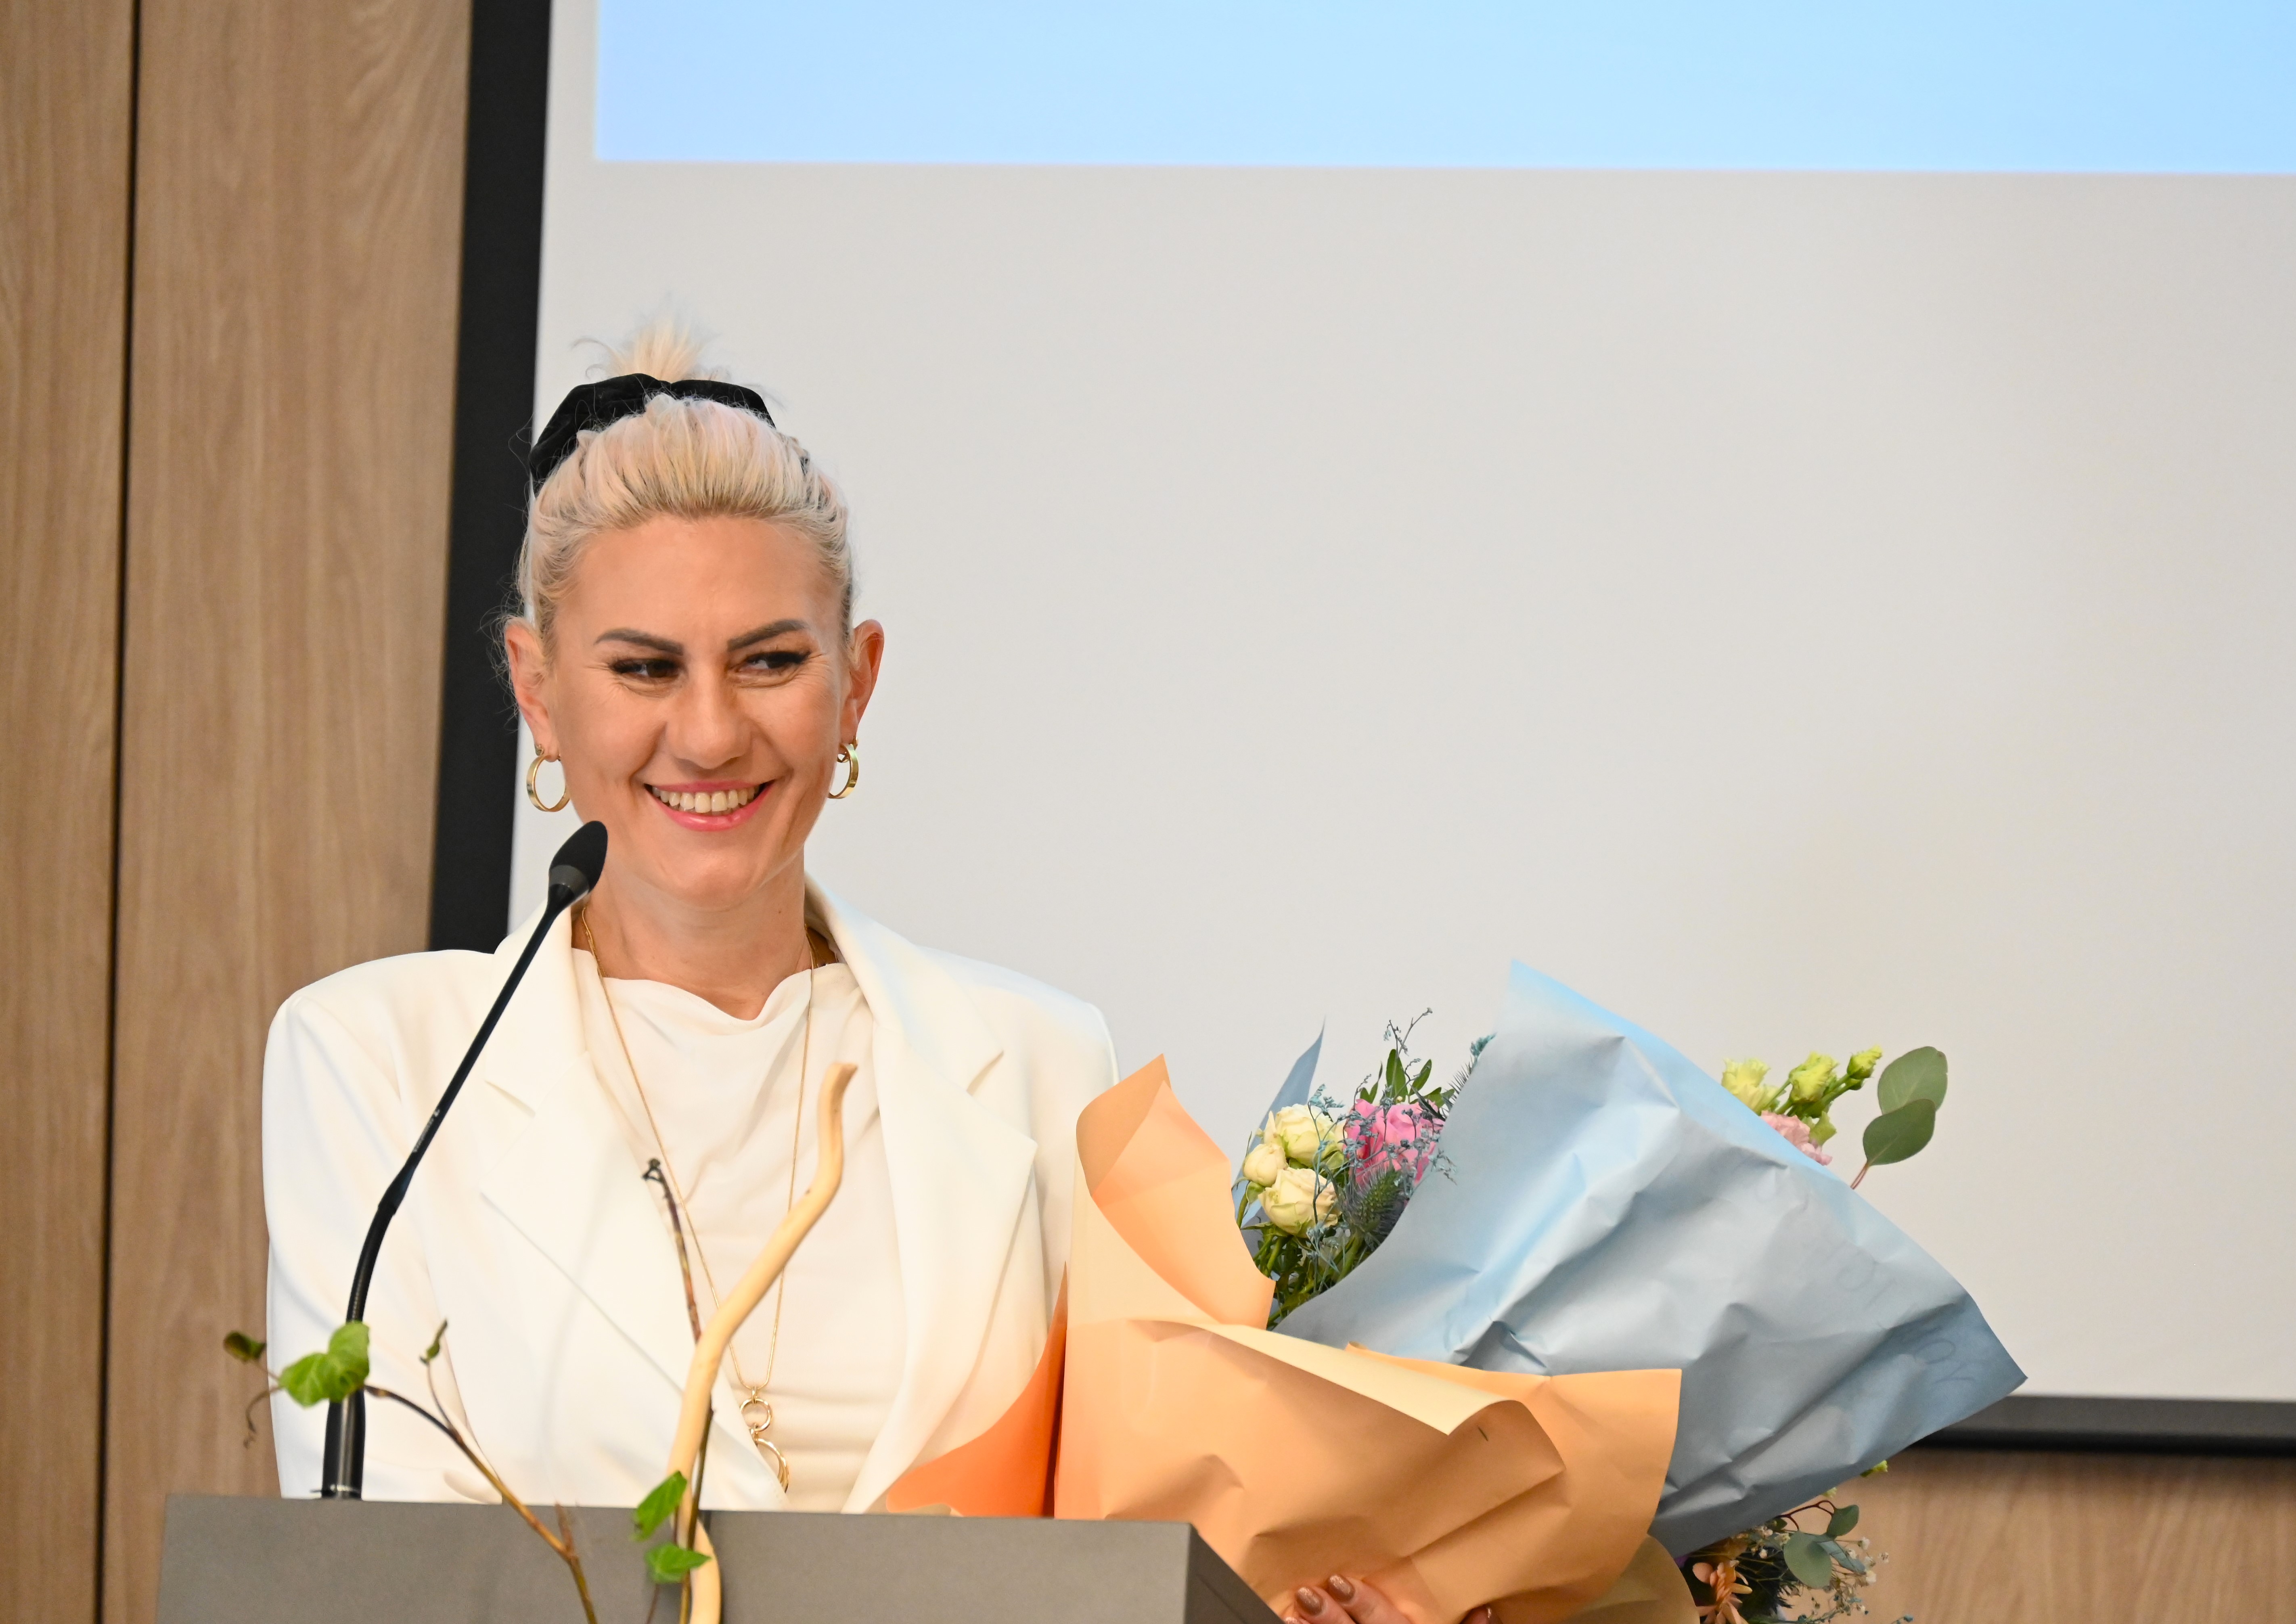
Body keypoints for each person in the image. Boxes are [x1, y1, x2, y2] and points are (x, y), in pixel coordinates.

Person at [261, 323, 1481, 1624]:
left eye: (771, 661)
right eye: (644, 668)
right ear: (538, 691)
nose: (710, 732)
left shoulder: (1040, 1060)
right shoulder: (380, 1064)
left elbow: (1119, 1550)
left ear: (857, 684)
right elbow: (378, 1578)